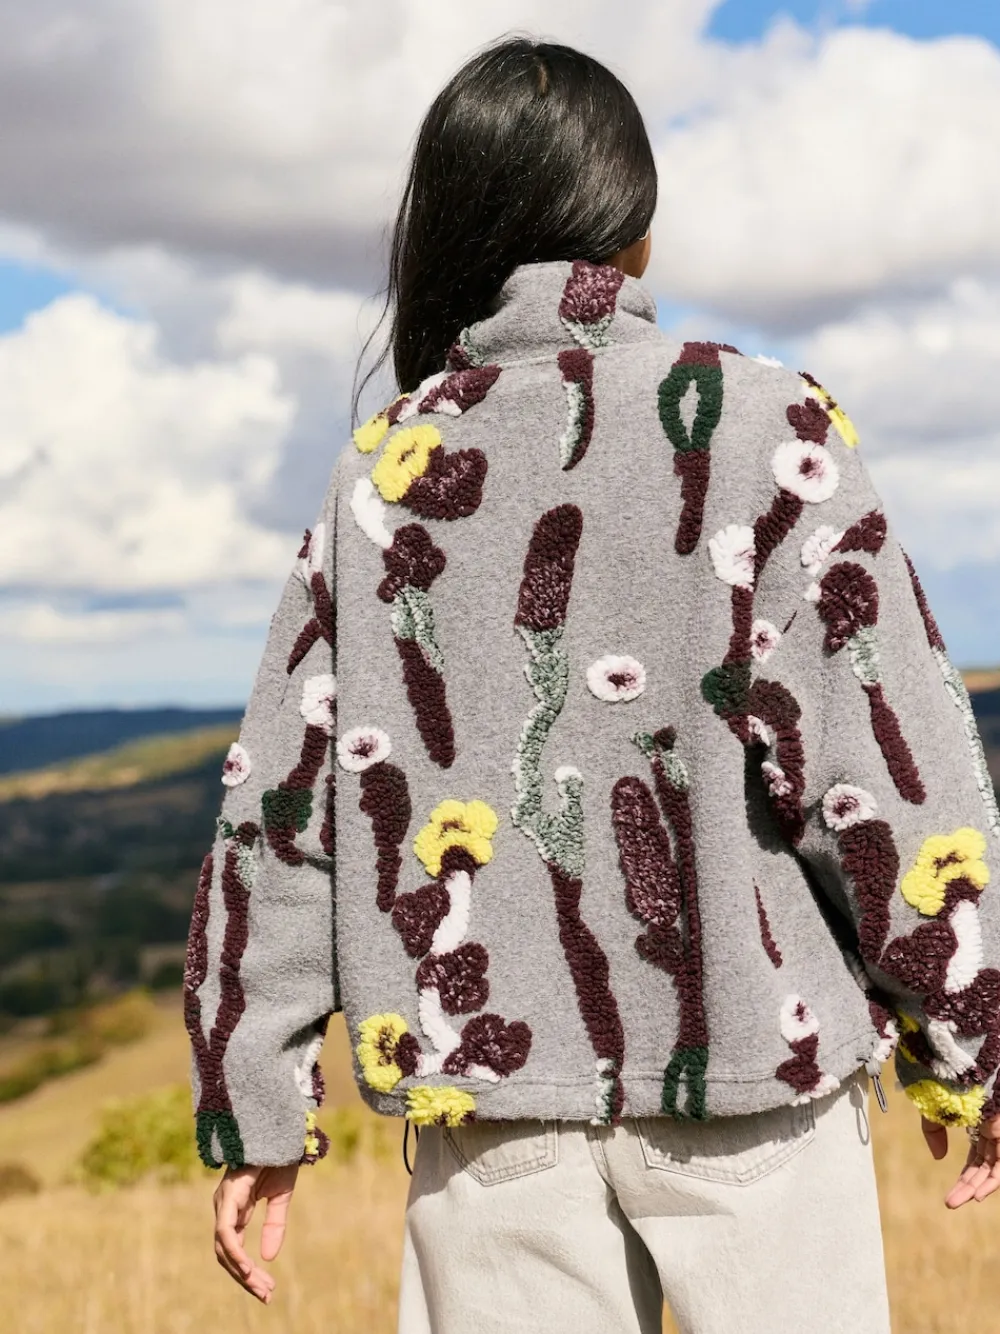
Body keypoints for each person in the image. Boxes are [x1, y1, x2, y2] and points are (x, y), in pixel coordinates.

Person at [185, 36, 1000, 1334]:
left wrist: (256, 1100)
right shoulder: (767, 427)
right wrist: (971, 1031)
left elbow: (286, 806)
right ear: (639, 230)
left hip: (487, 1117)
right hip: (758, 1086)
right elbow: (886, 760)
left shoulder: (382, 471)